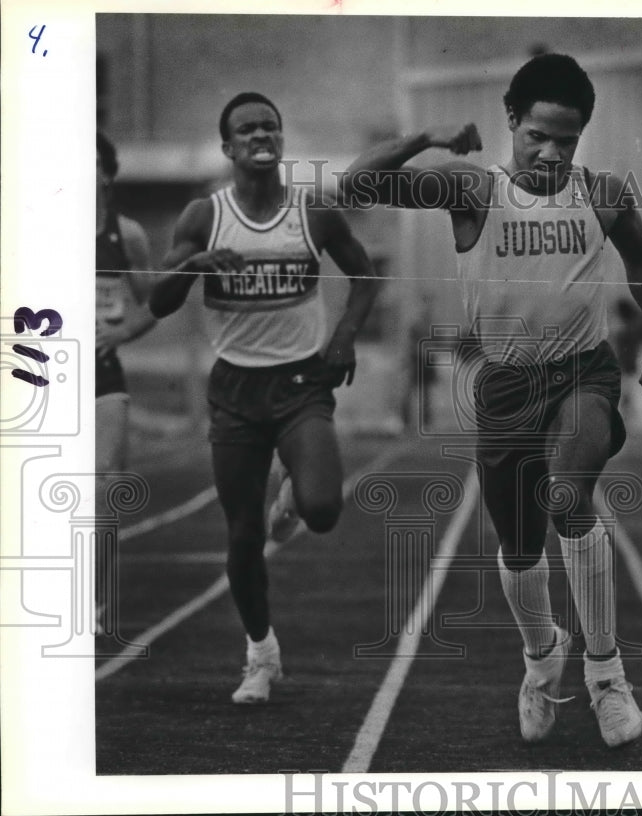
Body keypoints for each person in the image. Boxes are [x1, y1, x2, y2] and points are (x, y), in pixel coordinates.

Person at [343, 54, 642, 747]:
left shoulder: (603, 193)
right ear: (510, 123)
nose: (552, 154)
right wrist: (425, 138)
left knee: (569, 496)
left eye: (568, 140)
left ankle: (606, 676)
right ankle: (539, 657)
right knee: (519, 545)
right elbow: (358, 184)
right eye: (538, 137)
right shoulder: (474, 190)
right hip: (506, 382)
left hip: (585, 373)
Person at [149, 92, 380, 703]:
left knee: (324, 508)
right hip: (234, 390)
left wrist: (346, 337)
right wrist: (198, 261)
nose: (260, 135)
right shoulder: (204, 216)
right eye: (247, 129)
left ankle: (294, 496)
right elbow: (159, 300)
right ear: (227, 147)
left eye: (270, 127)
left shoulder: (314, 213)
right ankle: (260, 654)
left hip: (301, 382)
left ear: (281, 140)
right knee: (243, 534)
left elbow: (366, 276)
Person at [95, 132, 156, 636]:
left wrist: (120, 330)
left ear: (107, 174)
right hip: (43, 367)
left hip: (102, 369)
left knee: (105, 486)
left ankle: (93, 601)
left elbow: (153, 303)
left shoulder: (126, 234)